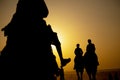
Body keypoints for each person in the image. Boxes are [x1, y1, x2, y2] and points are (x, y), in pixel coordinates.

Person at [1, 0, 71, 79]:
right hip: (36, 25)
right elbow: (46, 13)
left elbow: (16, 14)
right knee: (55, 38)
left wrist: (9, 25)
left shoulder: (21, 1)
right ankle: (62, 59)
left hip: (20, 26)